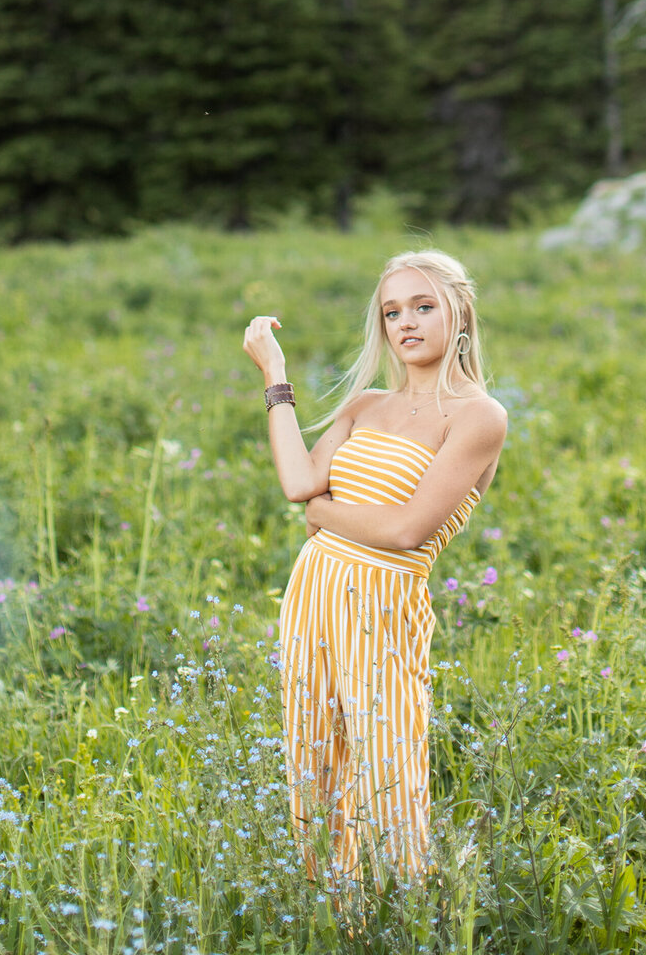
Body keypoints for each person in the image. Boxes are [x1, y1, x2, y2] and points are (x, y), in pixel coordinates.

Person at [243, 248, 506, 886]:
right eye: (393, 312)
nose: (406, 322)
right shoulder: (366, 404)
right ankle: (332, 911)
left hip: (384, 599)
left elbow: (406, 530)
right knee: (313, 755)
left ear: (459, 313)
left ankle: (402, 911)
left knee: (386, 759)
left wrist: (323, 517)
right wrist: (275, 378)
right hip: (315, 591)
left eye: (423, 306)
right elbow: (299, 481)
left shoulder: (478, 416)